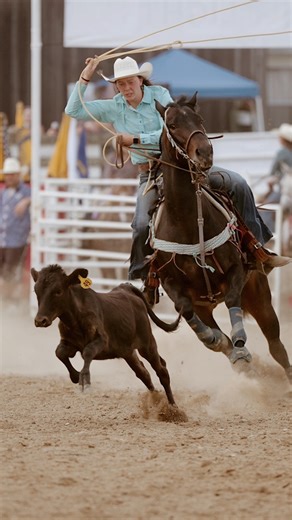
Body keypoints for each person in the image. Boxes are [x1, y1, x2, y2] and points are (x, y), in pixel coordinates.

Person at [65, 55, 289, 282]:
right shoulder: (114, 107)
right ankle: (143, 275)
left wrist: (134, 139)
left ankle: (257, 248)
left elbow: (171, 131)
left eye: (130, 82)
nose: (126, 88)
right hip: (150, 173)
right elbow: (73, 110)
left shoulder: (160, 96)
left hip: (183, 168)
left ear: (140, 80)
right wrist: (86, 76)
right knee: (142, 223)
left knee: (238, 183)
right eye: (120, 84)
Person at [0, 157, 31, 304]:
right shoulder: (3, 193)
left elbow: (37, 198)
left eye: (12, 174)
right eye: (7, 174)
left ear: (18, 175)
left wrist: (27, 201)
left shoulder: (27, 192)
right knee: (6, 272)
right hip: (3, 239)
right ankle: (8, 300)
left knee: (9, 272)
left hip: (16, 240)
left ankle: (6, 302)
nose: (9, 177)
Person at [259, 123, 292, 232]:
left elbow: (273, 174)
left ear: (283, 139)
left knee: (265, 208)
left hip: (287, 191)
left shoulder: (282, 153)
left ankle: (269, 234)